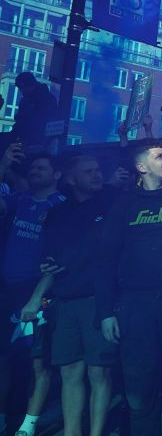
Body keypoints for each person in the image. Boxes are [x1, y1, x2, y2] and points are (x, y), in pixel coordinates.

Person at [95, 140, 162, 436]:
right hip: (135, 306)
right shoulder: (123, 204)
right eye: (159, 156)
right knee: (139, 391)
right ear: (141, 167)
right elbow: (105, 259)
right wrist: (105, 311)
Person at [38, 156, 116, 436]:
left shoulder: (111, 204)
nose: (96, 175)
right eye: (89, 172)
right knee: (69, 371)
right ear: (71, 179)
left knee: (99, 372)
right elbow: (50, 253)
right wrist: (47, 262)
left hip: (98, 299)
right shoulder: (59, 212)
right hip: (66, 299)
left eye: (98, 170)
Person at [0, 153, 65, 436]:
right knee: (4, 356)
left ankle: (26, 424)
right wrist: (3, 165)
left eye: (42, 168)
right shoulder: (21, 199)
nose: (35, 171)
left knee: (33, 360)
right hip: (7, 287)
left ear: (57, 175)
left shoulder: (61, 206)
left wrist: (37, 296)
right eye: (33, 167)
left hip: (36, 290)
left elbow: (60, 258)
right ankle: (4, 416)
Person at [9, 73, 57, 150]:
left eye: (22, 87)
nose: (21, 91)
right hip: (28, 141)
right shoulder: (27, 99)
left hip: (36, 143)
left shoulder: (45, 99)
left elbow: (35, 122)